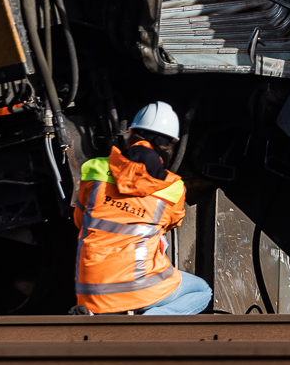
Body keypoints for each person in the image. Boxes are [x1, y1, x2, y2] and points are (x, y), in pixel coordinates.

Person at [71, 101, 212, 315]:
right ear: (170, 146)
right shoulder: (172, 188)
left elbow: (80, 220)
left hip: (89, 290)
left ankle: (101, 313)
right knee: (202, 291)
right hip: (139, 288)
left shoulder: (95, 169)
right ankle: (150, 321)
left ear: (131, 134)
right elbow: (172, 222)